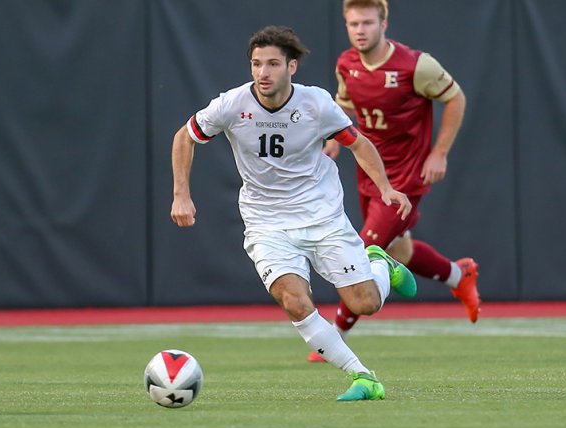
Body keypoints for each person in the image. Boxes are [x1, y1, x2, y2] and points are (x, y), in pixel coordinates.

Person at [171, 25, 417, 401]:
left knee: (365, 303)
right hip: (266, 222)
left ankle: (381, 265)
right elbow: (184, 136)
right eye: (255, 64)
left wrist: (385, 188)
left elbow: (358, 143)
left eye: (272, 64)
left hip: (322, 215)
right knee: (294, 299)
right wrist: (181, 195)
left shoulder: (316, 104)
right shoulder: (232, 104)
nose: (262, 73)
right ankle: (363, 376)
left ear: (292, 67)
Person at [307, 0, 481, 363]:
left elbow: (456, 98)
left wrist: (440, 152)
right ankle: (457, 275)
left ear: (384, 23)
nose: (360, 30)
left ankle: (335, 336)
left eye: (367, 22)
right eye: (353, 23)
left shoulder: (416, 65)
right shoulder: (346, 64)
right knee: (399, 251)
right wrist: (332, 142)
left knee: (363, 248)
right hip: (371, 171)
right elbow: (346, 106)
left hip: (407, 176)